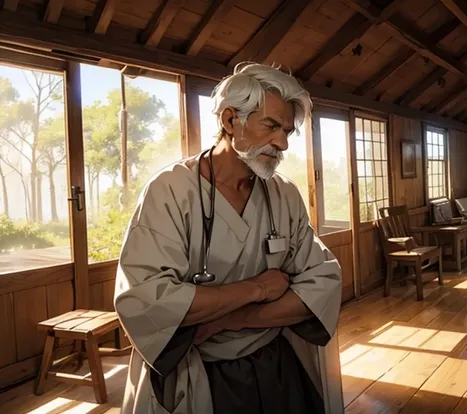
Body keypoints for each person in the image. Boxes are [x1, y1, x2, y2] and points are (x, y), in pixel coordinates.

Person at [113, 62, 342, 414]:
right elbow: (145, 300)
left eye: (287, 131)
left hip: (275, 366)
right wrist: (259, 290)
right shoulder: (171, 190)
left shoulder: (284, 194)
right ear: (231, 120)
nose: (281, 142)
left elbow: (324, 282)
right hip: (196, 370)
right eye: (271, 126)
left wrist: (230, 318)